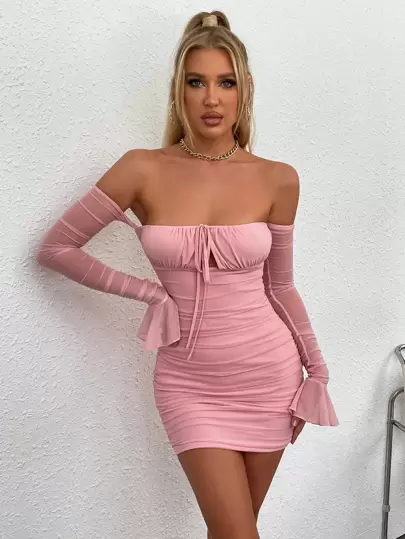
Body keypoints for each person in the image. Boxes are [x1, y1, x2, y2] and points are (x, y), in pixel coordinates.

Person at [36, 10, 339, 539]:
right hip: (189, 383)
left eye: (226, 83)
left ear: (245, 90)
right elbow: (56, 247)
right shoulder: (141, 169)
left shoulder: (278, 179)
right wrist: (150, 291)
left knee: (232, 532)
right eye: (196, 82)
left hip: (269, 376)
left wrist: (317, 372)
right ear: (179, 91)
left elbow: (280, 286)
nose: (211, 99)